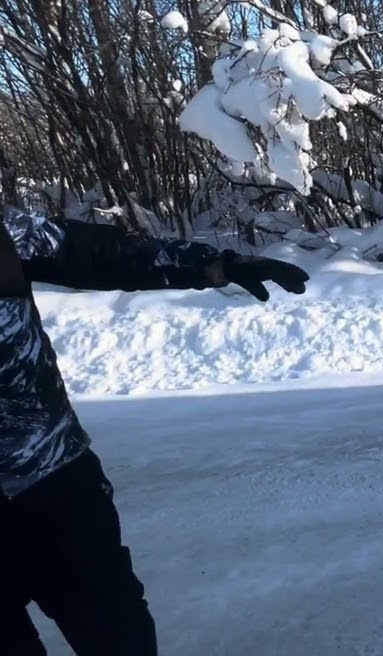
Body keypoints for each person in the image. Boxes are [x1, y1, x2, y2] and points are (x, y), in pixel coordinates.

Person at [0, 204, 310, 655]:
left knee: (118, 635)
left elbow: (107, 252)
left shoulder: (8, 232)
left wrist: (215, 264)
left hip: (57, 488)